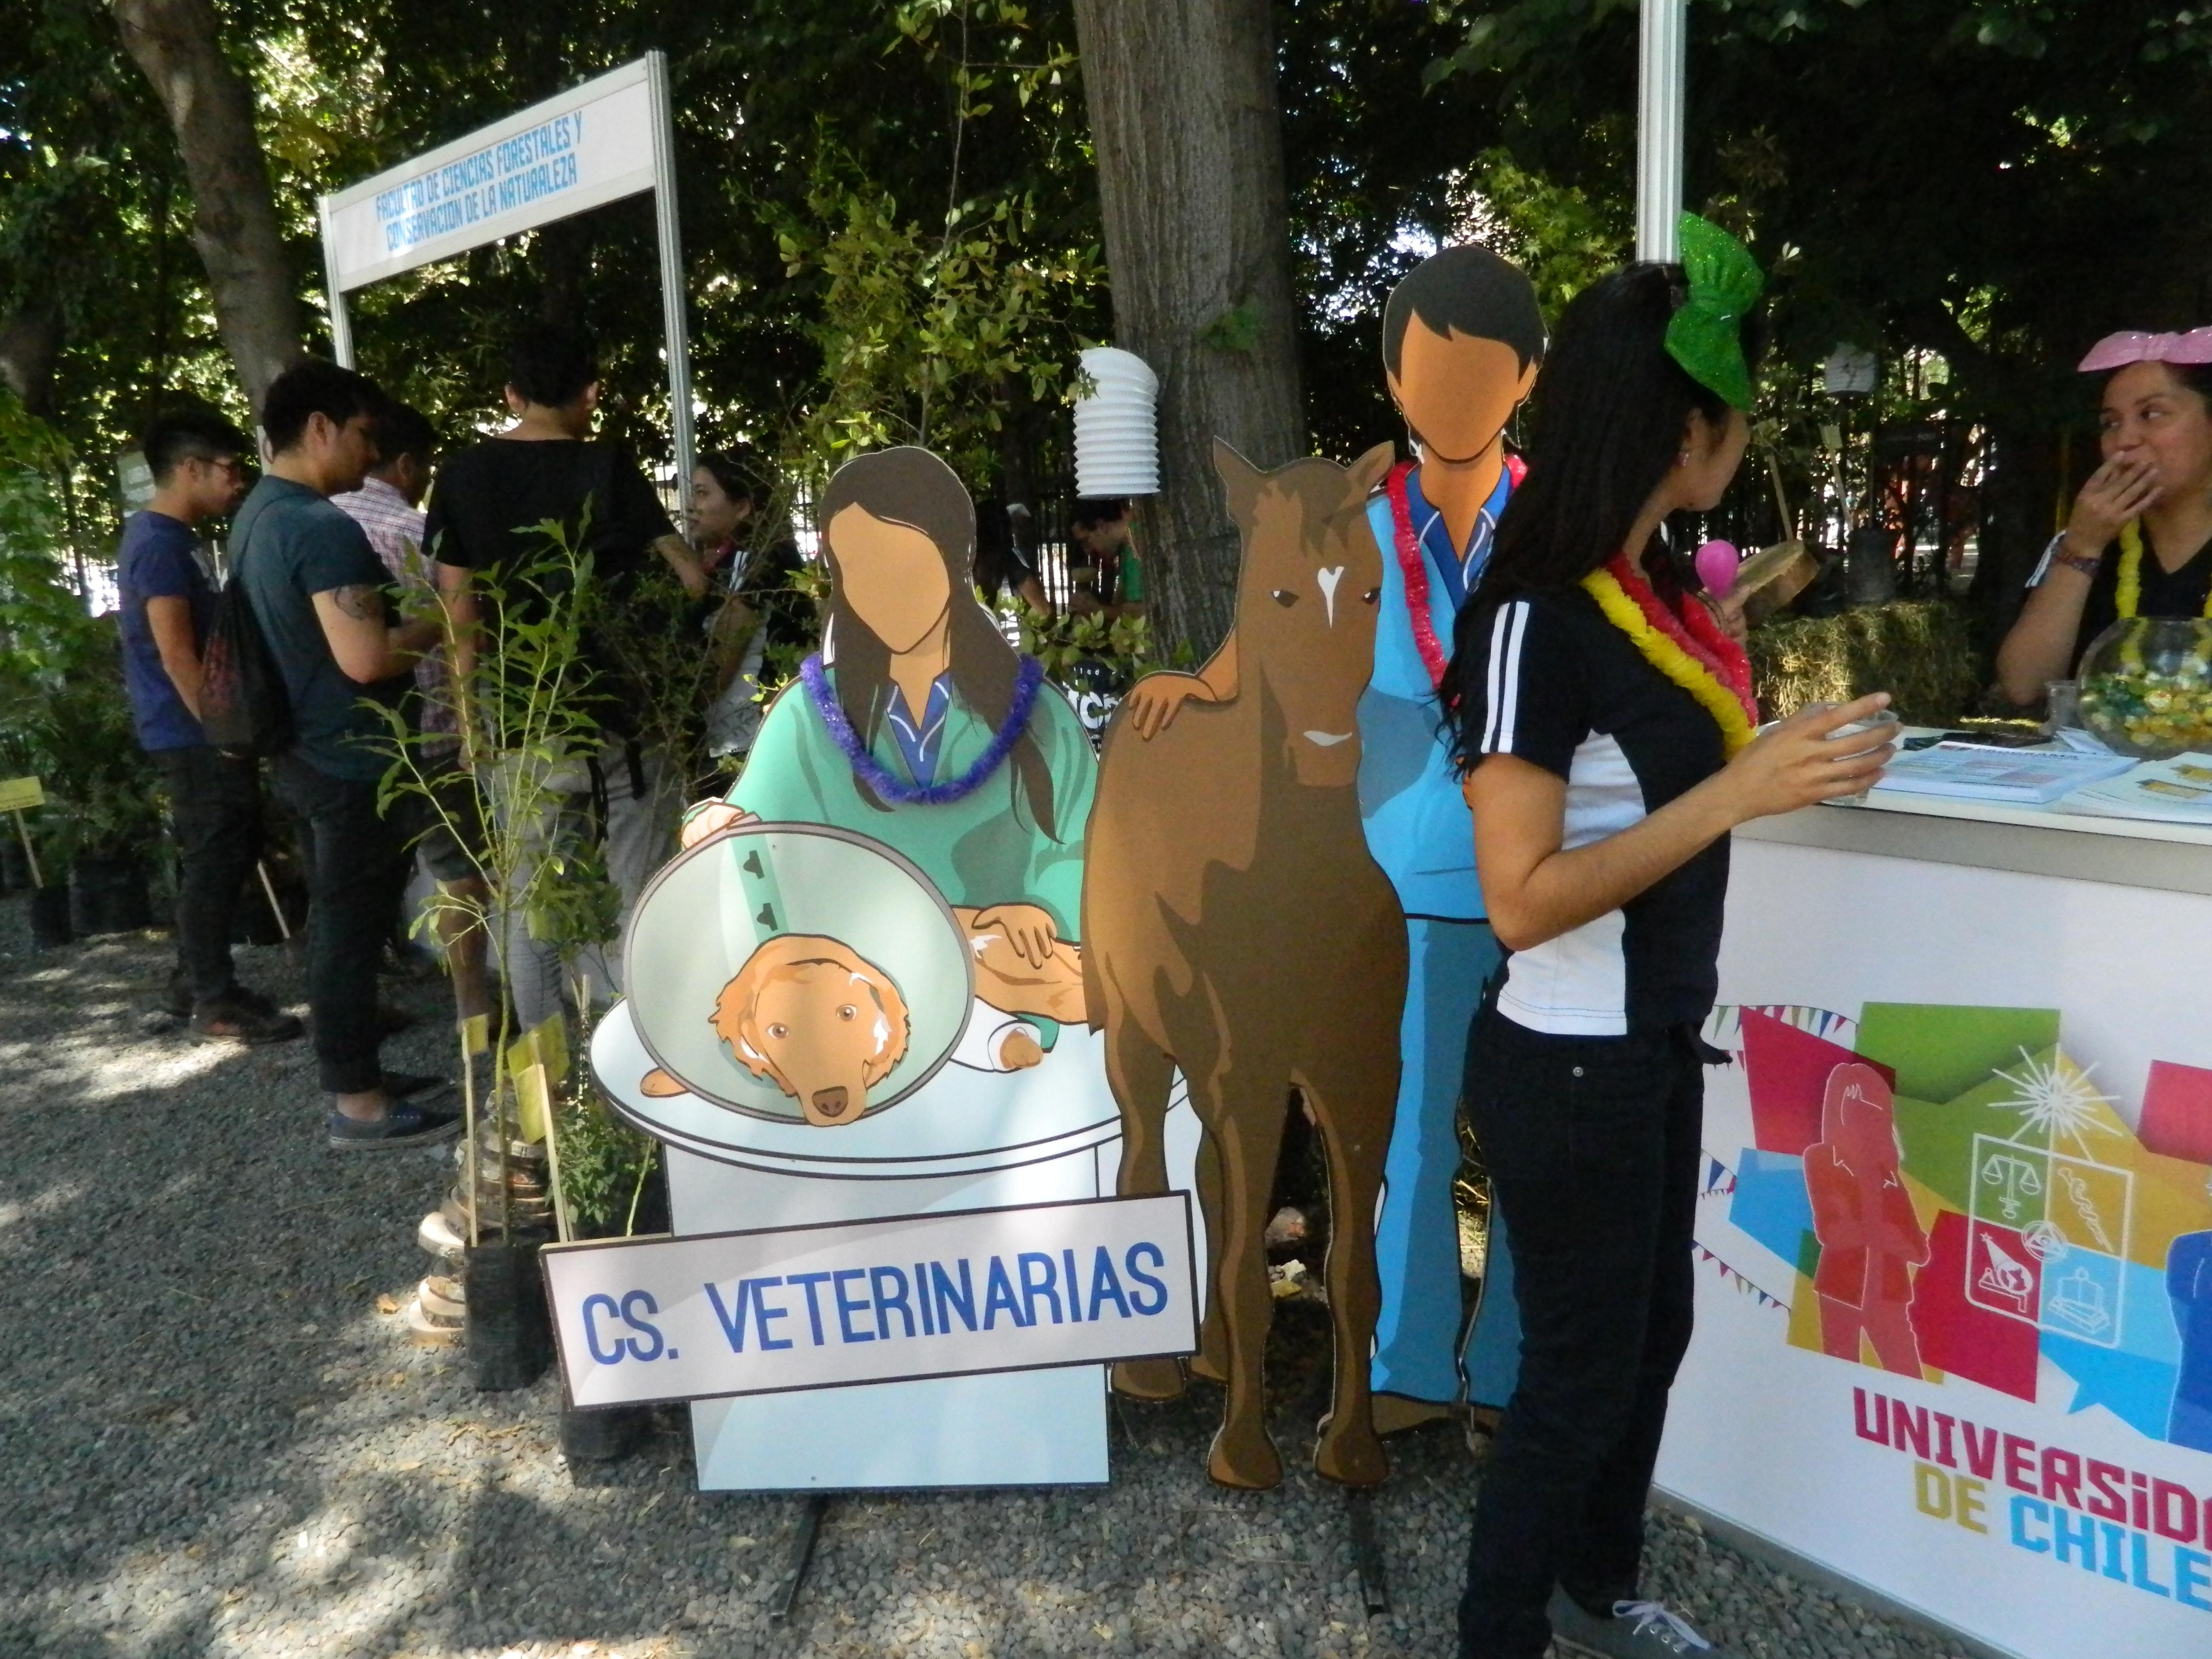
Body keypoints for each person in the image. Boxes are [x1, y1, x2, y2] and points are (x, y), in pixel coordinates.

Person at [1440, 219, 1895, 1659]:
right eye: (1740, 411)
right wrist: (1745, 789)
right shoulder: (1531, 614)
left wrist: (1768, 745)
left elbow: (1659, 750)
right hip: (1566, 1065)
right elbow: (1521, 897)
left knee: (1648, 1349)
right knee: (1578, 1377)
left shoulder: (1644, 586)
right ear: (1690, 426)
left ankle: (1593, 1588)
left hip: (1643, 1052)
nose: (1748, 435)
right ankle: (1498, 1633)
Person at [1119, 243, 1548, 1437]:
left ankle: (1509, 1363)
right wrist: (1194, 685)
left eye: (1483, 376)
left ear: (1525, 380)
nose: (1454, 400)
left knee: (1520, 1135)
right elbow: (1277, 634)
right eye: (1428, 375)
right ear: (1396, 382)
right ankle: (1408, 1361)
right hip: (1395, 873)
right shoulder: (1360, 516)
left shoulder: (1555, 521)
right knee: (1403, 1122)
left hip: (1537, 873)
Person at [679, 446, 1096, 1042]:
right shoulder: (813, 714)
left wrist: (1040, 910)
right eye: (859, 567)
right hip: (854, 1024)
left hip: (1018, 1013)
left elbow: (1086, 846)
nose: (883, 590)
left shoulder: (1036, 713)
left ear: (959, 557)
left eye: (904, 560)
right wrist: (713, 822)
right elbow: (757, 824)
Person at [427, 324, 706, 1034]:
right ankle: (644, 1057)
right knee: (638, 891)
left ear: (511, 395)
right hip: (625, 715)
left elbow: (461, 613)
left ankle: (546, 1076)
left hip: (523, 713)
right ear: (592, 393)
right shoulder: (609, 465)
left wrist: (468, 723)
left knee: (527, 906)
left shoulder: (460, 476)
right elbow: (691, 578)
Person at [235, 359, 458, 1149]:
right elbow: (366, 658)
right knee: (350, 928)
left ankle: (358, 1074)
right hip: (351, 760)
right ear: (321, 427)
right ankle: (359, 1103)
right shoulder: (321, 529)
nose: (371, 454)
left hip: (304, 750)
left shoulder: (260, 514)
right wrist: (443, 618)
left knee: (345, 925)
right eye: (363, 434)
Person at [116, 406, 301, 1045]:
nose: (238, 480)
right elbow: (175, 651)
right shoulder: (160, 544)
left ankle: (194, 980)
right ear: (189, 468)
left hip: (191, 729)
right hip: (190, 732)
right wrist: (223, 732)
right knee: (216, 857)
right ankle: (215, 1000)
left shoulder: (175, 538)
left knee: (228, 849)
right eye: (228, 467)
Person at [330, 397, 493, 1025]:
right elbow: (461, 629)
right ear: (404, 464)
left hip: (349, 745)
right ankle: (472, 1010)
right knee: (462, 874)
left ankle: (355, 1010)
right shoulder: (419, 533)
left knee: (356, 882)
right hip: (430, 733)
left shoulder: (317, 523)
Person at [1995, 330, 2212, 705]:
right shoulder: (2087, 542)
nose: (2124, 440)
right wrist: (2083, 546)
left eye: (2151, 414)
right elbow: (2023, 688)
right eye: (2110, 423)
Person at [689, 447, 812, 761]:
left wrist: (680, 719)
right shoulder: (718, 562)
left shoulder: (755, 563)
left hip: (746, 745)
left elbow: (722, 660)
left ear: (742, 507)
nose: (692, 507)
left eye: (702, 494)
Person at [1067, 498, 1145, 619]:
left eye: (1086, 541)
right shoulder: (1126, 548)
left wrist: (1097, 610)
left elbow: (1142, 612)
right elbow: (1121, 600)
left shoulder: (1136, 544)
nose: (1087, 550)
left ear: (1101, 526)